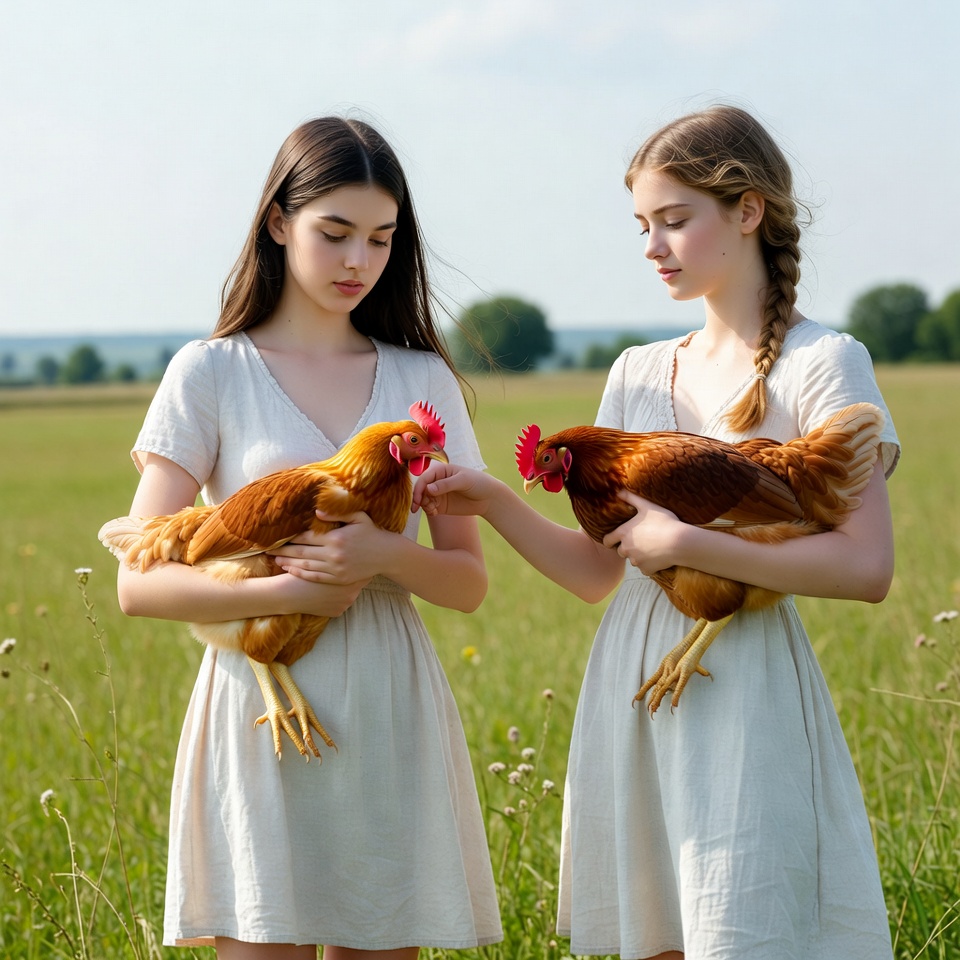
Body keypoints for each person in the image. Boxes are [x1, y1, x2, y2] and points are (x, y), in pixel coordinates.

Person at [413, 104, 898, 959]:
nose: (653, 246)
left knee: (743, 924)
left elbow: (866, 568)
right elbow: (602, 571)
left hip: (742, 674)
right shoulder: (637, 372)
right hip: (636, 671)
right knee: (662, 934)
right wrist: (495, 501)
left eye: (674, 220)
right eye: (643, 225)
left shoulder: (824, 362)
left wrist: (687, 545)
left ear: (748, 211)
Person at [112, 117, 502, 959]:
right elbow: (138, 584)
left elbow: (467, 582)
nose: (358, 261)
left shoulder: (419, 376)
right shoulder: (211, 372)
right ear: (278, 222)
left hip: (386, 697)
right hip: (259, 696)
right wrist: (291, 591)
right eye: (335, 234)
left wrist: (384, 557)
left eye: (380, 239)